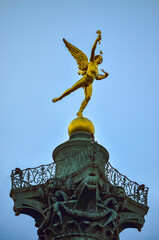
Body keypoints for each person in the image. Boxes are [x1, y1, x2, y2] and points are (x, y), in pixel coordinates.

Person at [52, 33, 109, 117]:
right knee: (71, 89)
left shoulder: (97, 70)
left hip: (90, 83)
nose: (100, 60)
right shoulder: (91, 62)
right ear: (96, 58)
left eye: (101, 60)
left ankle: (80, 111)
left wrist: (105, 76)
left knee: (88, 97)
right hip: (85, 78)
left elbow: (97, 78)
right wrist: (96, 40)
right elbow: (93, 50)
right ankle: (59, 98)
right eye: (99, 58)